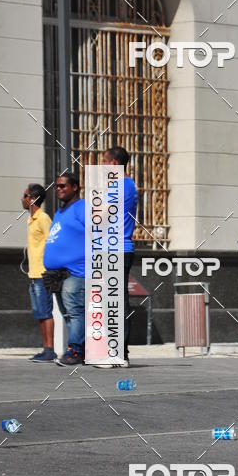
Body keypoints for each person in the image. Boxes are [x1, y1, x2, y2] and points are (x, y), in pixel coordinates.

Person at [99, 146, 138, 366]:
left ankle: (118, 353)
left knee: (114, 302)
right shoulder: (128, 185)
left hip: (115, 249)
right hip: (117, 248)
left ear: (114, 163)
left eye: (105, 161)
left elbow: (100, 215)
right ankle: (117, 351)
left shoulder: (119, 186)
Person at [43, 173, 86, 367]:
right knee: (67, 313)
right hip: (57, 274)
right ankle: (75, 349)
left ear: (75, 187)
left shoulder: (82, 207)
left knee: (75, 311)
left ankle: (76, 350)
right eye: (57, 186)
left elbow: (98, 232)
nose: (59, 189)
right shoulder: (60, 212)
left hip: (76, 272)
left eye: (63, 186)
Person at [22, 183, 55, 362]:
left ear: (33, 199)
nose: (23, 198)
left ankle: (50, 351)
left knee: (46, 312)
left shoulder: (43, 218)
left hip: (43, 274)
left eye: (25, 195)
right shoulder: (32, 219)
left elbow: (53, 242)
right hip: (33, 274)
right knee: (40, 313)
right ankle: (46, 349)